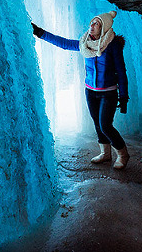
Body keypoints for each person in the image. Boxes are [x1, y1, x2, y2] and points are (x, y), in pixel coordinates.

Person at [31, 11, 130, 169]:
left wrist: (124, 96)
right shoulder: (85, 43)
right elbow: (63, 43)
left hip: (108, 92)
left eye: (96, 24)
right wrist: (40, 33)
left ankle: (123, 154)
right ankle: (105, 153)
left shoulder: (113, 46)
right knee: (97, 123)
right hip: (90, 91)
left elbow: (121, 71)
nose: (91, 26)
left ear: (103, 27)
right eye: (91, 23)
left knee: (105, 125)